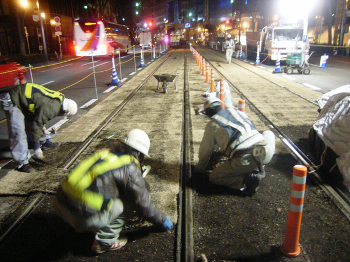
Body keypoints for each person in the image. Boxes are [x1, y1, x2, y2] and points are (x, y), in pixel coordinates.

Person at [54, 129, 174, 254]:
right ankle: (105, 242)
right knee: (127, 202)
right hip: (80, 217)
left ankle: (91, 224)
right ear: (138, 153)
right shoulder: (129, 167)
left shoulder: (105, 153)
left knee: (107, 196)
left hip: (60, 205)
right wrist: (162, 220)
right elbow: (143, 205)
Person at [193, 97, 275, 196]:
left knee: (214, 177)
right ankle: (259, 165)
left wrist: (200, 168)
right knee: (268, 132)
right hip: (266, 149)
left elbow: (205, 150)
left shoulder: (212, 125)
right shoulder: (237, 112)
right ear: (220, 106)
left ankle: (248, 179)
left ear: (208, 113)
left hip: (245, 160)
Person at [0, 83, 77, 173]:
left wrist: (43, 129)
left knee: (34, 125)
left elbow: (40, 114)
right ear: (65, 110)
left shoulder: (59, 99)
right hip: (13, 100)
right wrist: (36, 149)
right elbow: (37, 123)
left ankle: (43, 142)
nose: (61, 116)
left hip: (24, 100)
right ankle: (22, 163)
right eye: (63, 114)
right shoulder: (52, 109)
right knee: (18, 132)